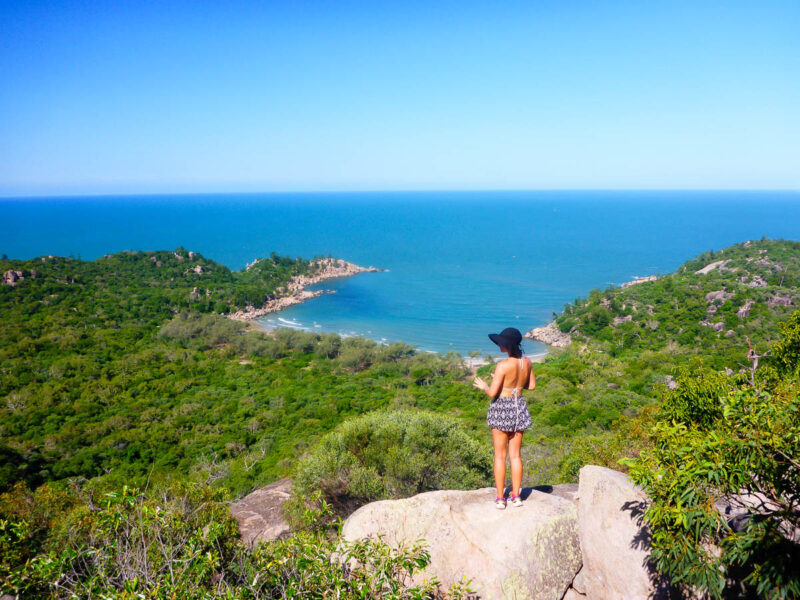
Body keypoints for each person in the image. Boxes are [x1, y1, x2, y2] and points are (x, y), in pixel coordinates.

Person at [472, 327, 535, 509]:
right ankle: (516, 497)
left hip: (502, 408)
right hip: (519, 408)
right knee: (515, 456)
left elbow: (493, 392)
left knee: (500, 456)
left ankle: (500, 498)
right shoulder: (527, 362)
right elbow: (531, 386)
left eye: (501, 342)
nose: (499, 344)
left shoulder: (503, 365)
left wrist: (485, 385)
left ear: (506, 344)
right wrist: (512, 384)